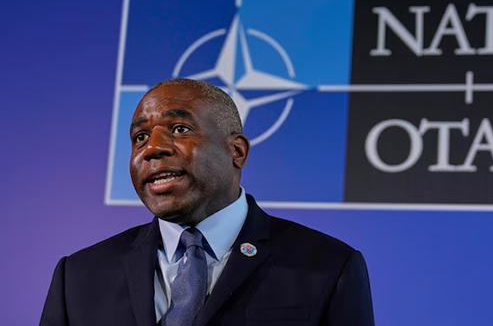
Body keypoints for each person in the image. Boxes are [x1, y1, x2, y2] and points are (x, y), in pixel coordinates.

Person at [40, 78, 374, 326]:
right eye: (140, 137)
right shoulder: (78, 276)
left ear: (236, 151)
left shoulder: (329, 266)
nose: (152, 148)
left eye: (179, 129)